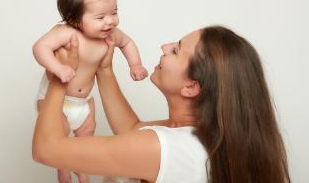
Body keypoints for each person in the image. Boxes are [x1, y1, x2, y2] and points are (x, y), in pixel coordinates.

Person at [33, 26, 291, 183]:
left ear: (191, 87)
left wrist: (60, 76)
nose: (165, 46)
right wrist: (105, 70)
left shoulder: (163, 148)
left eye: (176, 50)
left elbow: (46, 149)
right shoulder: (192, 140)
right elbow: (132, 129)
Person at [32, 0, 148, 183]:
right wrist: (58, 69)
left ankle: (81, 169)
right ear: (74, 20)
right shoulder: (66, 33)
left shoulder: (111, 34)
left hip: (84, 101)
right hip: (56, 99)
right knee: (60, 136)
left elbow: (127, 43)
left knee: (87, 133)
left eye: (114, 13)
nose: (110, 21)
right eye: (101, 17)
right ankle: (64, 170)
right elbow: (39, 48)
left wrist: (136, 64)